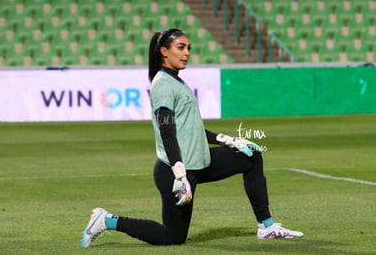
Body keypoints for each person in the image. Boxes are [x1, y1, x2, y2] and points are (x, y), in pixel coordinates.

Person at [81, 28, 303, 248]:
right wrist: (179, 174)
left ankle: (267, 226)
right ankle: (106, 220)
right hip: (176, 172)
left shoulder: (176, 81)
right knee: (172, 237)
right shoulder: (163, 84)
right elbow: (167, 131)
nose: (187, 53)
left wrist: (229, 140)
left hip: (198, 162)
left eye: (188, 48)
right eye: (181, 47)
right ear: (164, 51)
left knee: (252, 156)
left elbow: (192, 129)